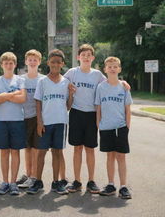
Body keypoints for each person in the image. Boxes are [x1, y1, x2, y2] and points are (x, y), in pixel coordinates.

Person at [26, 49, 75, 195]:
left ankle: (56, 182)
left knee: (57, 152)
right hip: (45, 123)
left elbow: (68, 106)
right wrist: (40, 122)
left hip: (60, 122)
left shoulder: (66, 82)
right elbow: (38, 103)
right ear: (48, 63)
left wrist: (71, 94)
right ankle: (38, 181)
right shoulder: (42, 81)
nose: (55, 64)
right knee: (41, 152)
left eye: (58, 62)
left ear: (62, 64)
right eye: (52, 62)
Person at [64, 44, 106, 194]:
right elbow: (59, 83)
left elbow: (109, 85)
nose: (86, 57)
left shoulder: (97, 75)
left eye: (89, 55)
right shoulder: (72, 72)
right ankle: (77, 181)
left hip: (91, 114)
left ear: (93, 58)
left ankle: (91, 181)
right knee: (77, 148)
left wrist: (123, 83)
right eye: (83, 55)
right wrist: (67, 87)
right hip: (76, 113)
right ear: (78, 57)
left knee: (90, 149)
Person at [95, 56, 132, 199]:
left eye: (115, 66)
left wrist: (127, 127)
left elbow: (127, 109)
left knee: (121, 156)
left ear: (119, 69)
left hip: (120, 127)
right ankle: (111, 184)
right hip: (106, 127)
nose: (112, 68)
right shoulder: (101, 87)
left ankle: (123, 186)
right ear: (105, 69)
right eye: (109, 66)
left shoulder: (123, 87)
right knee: (110, 156)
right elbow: (98, 108)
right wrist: (99, 124)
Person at [0, 52, 26, 196]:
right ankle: (4, 182)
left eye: (11, 63)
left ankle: (13, 183)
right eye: (6, 63)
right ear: (1, 65)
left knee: (15, 152)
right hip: (2, 120)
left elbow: (22, 98)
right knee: (4, 152)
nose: (8, 65)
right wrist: (12, 94)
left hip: (17, 120)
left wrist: (3, 95)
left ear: (15, 65)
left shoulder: (20, 80)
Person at [16, 50, 44, 188]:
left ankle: (34, 176)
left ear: (39, 62)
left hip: (37, 117)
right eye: (30, 60)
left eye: (35, 60)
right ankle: (28, 174)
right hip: (23, 117)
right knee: (27, 148)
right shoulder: (20, 79)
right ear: (26, 61)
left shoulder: (43, 79)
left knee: (35, 148)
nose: (32, 62)